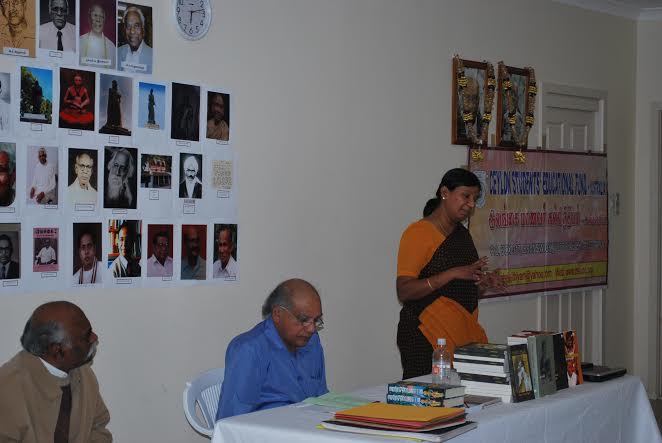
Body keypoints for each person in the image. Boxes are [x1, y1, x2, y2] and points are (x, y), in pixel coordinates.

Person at [395, 168, 504, 379]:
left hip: (461, 335)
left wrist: (482, 284)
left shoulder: (462, 235)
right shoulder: (418, 233)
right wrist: (451, 273)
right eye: (466, 196)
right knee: (430, 397)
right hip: (424, 335)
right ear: (445, 193)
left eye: (475, 199)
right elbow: (404, 290)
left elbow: (462, 292)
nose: (471, 204)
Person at [0, 301, 112, 442]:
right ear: (57, 350)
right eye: (86, 335)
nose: (94, 338)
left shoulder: (83, 373)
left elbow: (98, 427)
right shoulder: (7, 387)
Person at [216, 278, 328, 420]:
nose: (311, 329)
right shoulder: (249, 350)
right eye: (304, 320)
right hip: (269, 429)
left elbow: (322, 398)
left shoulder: (312, 341)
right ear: (277, 314)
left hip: (309, 425)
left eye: (316, 320)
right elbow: (232, 420)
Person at [79, 3, 116, 68]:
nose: (98, 20)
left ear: (104, 20)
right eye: (95, 15)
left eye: (101, 16)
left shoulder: (111, 46)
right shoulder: (80, 41)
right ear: (89, 18)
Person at [117, 6, 152, 74]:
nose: (132, 31)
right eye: (128, 26)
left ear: (143, 29)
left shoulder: (153, 55)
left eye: (136, 26)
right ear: (124, 30)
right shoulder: (117, 52)